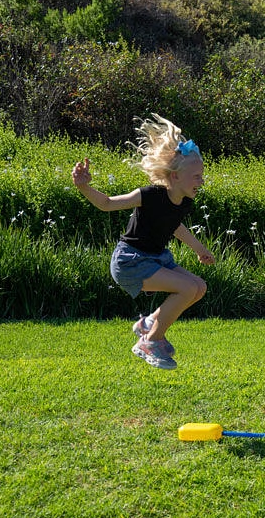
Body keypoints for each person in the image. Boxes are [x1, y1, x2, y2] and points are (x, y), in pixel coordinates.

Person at [72, 114, 215, 370]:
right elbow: (107, 204)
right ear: (175, 177)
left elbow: (175, 227)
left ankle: (148, 323)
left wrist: (199, 249)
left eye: (201, 175)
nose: (201, 181)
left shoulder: (183, 201)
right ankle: (150, 341)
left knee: (199, 286)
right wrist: (84, 187)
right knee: (186, 289)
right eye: (196, 176)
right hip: (131, 262)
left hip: (157, 258)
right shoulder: (148, 196)